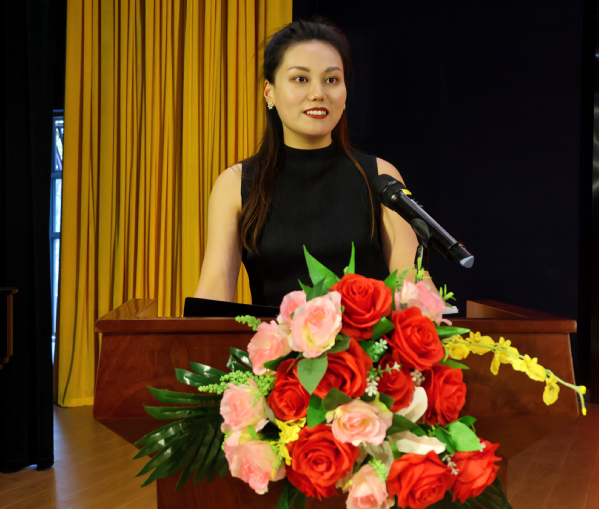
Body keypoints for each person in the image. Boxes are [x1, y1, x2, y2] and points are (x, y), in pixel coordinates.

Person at [194, 19, 435, 306]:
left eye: (331, 80)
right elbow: (214, 291)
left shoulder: (380, 177)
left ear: (345, 93)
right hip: (270, 336)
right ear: (269, 91)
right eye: (301, 79)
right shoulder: (237, 183)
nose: (318, 93)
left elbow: (415, 289)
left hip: (360, 336)